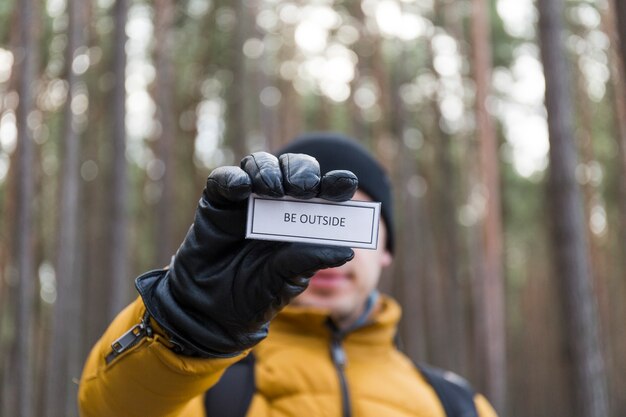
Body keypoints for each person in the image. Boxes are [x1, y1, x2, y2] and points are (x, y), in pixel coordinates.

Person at [78, 132, 498, 417]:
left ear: (387, 248)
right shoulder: (201, 382)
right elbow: (109, 407)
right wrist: (188, 328)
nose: (323, 256)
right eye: (305, 222)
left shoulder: (459, 403)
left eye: (350, 221)